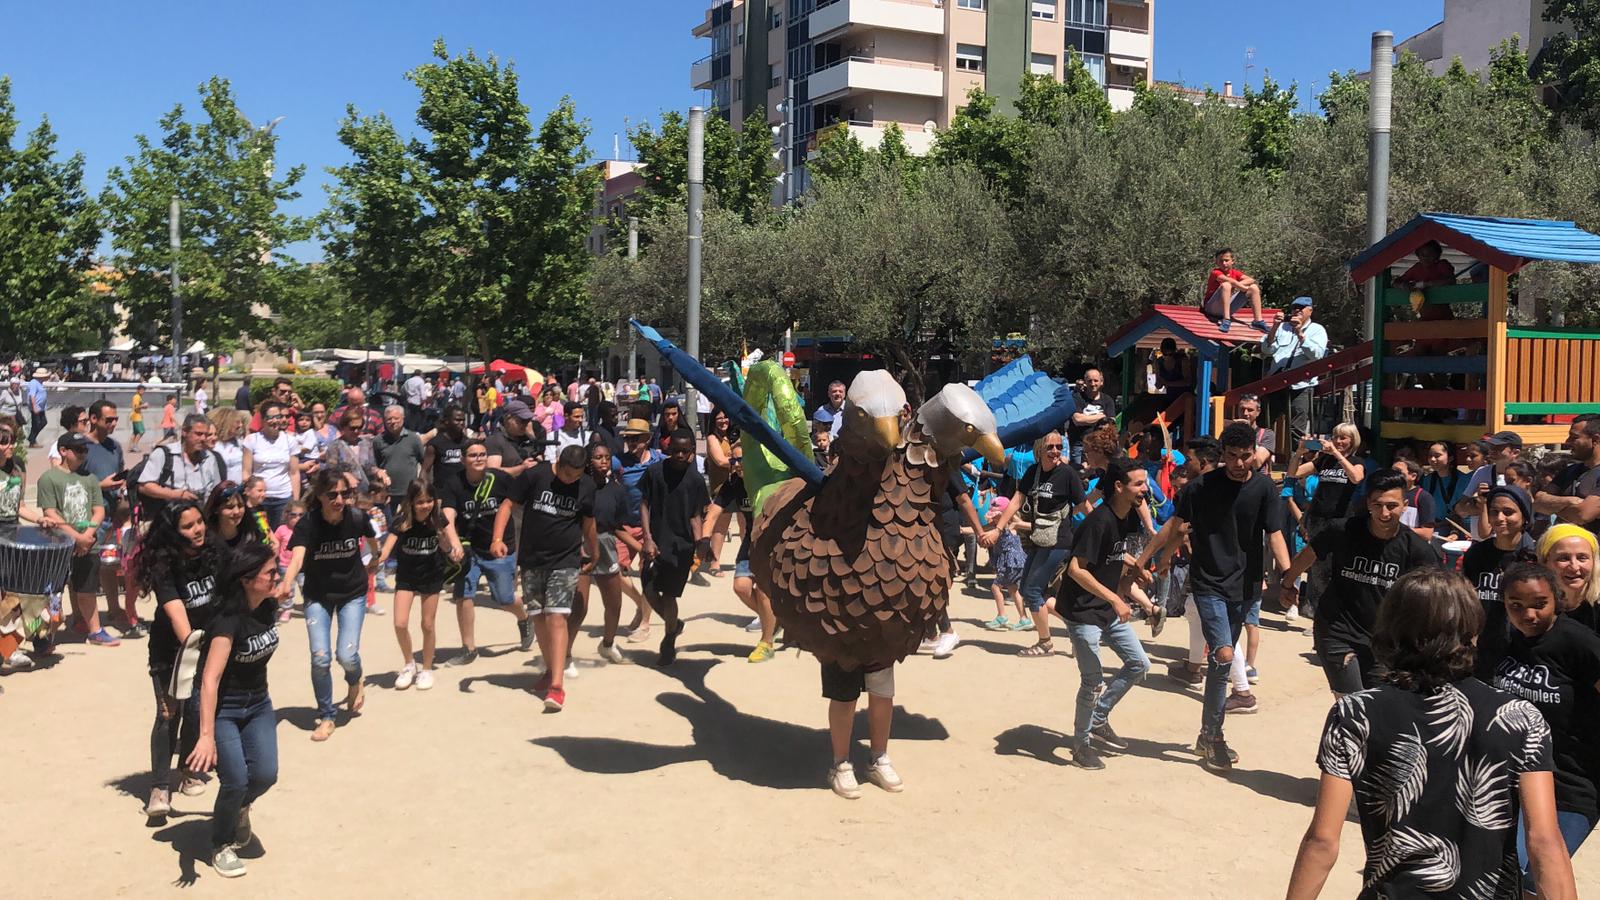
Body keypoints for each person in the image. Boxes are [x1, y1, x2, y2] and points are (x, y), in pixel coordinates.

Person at [1284, 567, 1575, 900]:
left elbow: (1322, 840)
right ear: (1472, 631)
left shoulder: (1355, 714)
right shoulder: (1520, 718)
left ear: (1391, 628)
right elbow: (1544, 842)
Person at [1135, 422, 1290, 773]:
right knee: (1222, 653)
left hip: (1245, 586)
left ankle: (1209, 734)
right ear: (1222, 455)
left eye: (1245, 456)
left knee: (1221, 664)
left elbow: (1275, 534)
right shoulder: (1200, 488)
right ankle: (1214, 736)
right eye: (1232, 456)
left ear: (1254, 455)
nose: (1239, 463)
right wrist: (1155, 559)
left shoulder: (1264, 488)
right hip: (1207, 583)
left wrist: (1289, 577)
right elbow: (1176, 527)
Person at [1279, 469, 1440, 696]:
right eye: (1377, 505)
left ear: (1404, 505)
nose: (1384, 513)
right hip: (1336, 629)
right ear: (1368, 504)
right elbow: (1309, 553)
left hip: (1384, 640)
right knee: (1352, 701)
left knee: (1378, 704)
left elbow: (1435, 597)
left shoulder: (1417, 550)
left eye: (1392, 506)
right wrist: (1287, 583)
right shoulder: (1343, 530)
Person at [1491, 562, 1600, 879]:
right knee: (1502, 874)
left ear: (1557, 599)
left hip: (1571, 784)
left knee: (1537, 876)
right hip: (1509, 782)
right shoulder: (1502, 639)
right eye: (1516, 605)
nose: (1528, 615)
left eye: (1540, 604)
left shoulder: (1579, 643)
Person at [184, 541, 283, 879]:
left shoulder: (267, 606)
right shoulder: (227, 621)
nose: (276, 577)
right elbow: (209, 680)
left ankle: (237, 809)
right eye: (271, 573)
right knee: (236, 779)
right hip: (224, 709)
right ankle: (221, 842)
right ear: (246, 579)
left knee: (265, 774)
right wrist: (206, 736)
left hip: (258, 703)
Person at [1061, 458, 1159, 770]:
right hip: (1082, 611)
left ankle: (1099, 717)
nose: (1145, 489)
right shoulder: (1099, 521)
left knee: (1139, 664)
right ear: (1118, 487)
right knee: (1092, 681)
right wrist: (1115, 599)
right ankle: (1081, 745)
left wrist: (1135, 565)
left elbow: (1113, 551)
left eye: (1145, 483)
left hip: (1104, 608)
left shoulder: (1124, 515)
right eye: (1139, 484)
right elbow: (1075, 569)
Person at [277, 469, 380, 742]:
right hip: (318, 595)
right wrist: (286, 583)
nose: (339, 500)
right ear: (320, 496)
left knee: (347, 656)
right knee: (320, 657)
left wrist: (376, 557)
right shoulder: (308, 523)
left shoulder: (356, 517)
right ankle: (327, 715)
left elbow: (372, 540)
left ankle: (355, 679)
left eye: (345, 494)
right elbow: (297, 558)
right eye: (333, 494)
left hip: (352, 593)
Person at [493, 445, 596, 711]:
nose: (571, 480)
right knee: (538, 616)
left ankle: (557, 686)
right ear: (558, 463)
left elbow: (588, 523)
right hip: (532, 559)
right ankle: (550, 670)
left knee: (556, 617)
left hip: (566, 560)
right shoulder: (535, 476)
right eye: (568, 474)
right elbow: (507, 505)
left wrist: (594, 552)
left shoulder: (586, 485)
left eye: (577, 476)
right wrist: (497, 538)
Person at [137, 501, 219, 818]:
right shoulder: (165, 566)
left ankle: (187, 769)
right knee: (168, 714)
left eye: (199, 522)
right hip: (171, 650)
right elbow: (177, 616)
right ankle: (159, 787)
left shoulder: (213, 554)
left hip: (206, 646)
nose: (197, 530)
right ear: (173, 532)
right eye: (188, 526)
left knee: (197, 709)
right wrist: (193, 653)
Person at [984, 431, 1086, 658]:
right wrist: (998, 529)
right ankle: (1077, 625)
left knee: (1032, 591)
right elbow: (1016, 501)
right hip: (1039, 538)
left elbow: (1083, 506)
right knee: (1026, 589)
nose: (1055, 451)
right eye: (1050, 447)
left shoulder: (1067, 474)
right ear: (1039, 450)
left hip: (1059, 541)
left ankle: (1046, 643)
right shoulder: (1033, 472)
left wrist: (1098, 530)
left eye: (1059, 447)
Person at [438, 438, 535, 665]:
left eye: (482, 454)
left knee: (504, 598)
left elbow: (518, 504)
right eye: (473, 455)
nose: (479, 459)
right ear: (463, 460)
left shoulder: (500, 479)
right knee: (463, 595)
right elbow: (447, 517)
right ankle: (468, 648)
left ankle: (524, 618)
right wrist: (454, 544)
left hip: (500, 547)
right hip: (469, 548)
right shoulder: (454, 483)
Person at [376, 478, 463, 691]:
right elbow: (386, 549)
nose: (425, 505)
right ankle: (409, 664)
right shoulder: (402, 519)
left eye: (429, 500)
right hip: (407, 576)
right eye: (420, 501)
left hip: (431, 574)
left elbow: (451, 541)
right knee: (400, 623)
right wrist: (375, 560)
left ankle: (426, 669)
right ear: (411, 502)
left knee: (427, 624)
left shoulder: (437, 518)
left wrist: (454, 548)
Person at [39, 432, 115, 645]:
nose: (83, 453)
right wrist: (77, 538)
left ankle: (95, 630)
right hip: (59, 546)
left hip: (87, 545)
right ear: (63, 451)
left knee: (87, 590)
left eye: (85, 449)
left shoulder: (90, 479)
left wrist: (86, 536)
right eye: (79, 449)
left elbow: (98, 511)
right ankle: (46, 635)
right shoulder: (48, 478)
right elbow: (50, 512)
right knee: (53, 594)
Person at [639, 430, 707, 666]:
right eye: (675, 450)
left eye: (684, 451)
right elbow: (644, 504)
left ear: (691, 452)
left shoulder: (696, 480)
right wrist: (647, 538)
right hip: (655, 542)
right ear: (668, 449)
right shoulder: (654, 472)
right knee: (648, 589)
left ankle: (668, 640)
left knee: (669, 595)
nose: (679, 455)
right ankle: (674, 624)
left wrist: (700, 544)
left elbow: (696, 516)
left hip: (681, 547)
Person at [704, 444, 778, 662]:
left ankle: (767, 642)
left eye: (741, 459)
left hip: (772, 541)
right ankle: (773, 620)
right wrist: (704, 539)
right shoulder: (733, 483)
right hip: (751, 541)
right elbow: (714, 512)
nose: (736, 464)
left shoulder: (768, 480)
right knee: (741, 587)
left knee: (763, 590)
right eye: (733, 460)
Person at [1463, 485, 1537, 678]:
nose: (1499, 518)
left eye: (1508, 512)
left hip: (1521, 651)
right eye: (1494, 512)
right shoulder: (1476, 554)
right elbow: (1467, 599)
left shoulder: (1535, 556)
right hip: (1482, 647)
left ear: (1524, 517)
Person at [573, 443, 637, 665]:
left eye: (607, 457)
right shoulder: (578, 486)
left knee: (614, 603)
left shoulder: (616, 490)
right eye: (598, 457)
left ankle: (607, 644)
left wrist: (642, 549)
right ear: (588, 461)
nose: (604, 461)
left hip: (607, 545)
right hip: (581, 547)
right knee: (579, 607)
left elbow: (617, 527)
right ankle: (565, 654)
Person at [1262, 296, 1328, 440]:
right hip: (1276, 383)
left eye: (1301, 307)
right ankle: (1261, 453)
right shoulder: (1282, 327)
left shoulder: (1317, 330)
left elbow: (1317, 355)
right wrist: (1274, 327)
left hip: (1301, 386)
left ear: (1310, 311)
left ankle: (1296, 455)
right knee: (1264, 424)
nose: (1297, 310)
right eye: (1294, 308)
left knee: (1297, 430)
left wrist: (1300, 333)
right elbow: (1266, 350)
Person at [138, 413, 226, 520]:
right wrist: (177, 495)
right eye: (198, 434)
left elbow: (216, 490)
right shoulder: (164, 454)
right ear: (184, 431)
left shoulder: (210, 457)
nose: (203, 438)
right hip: (170, 520)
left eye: (206, 435)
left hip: (201, 520)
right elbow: (144, 486)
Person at [1537, 413, 1600, 537]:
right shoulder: (1569, 471)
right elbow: (1538, 502)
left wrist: (1553, 507)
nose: (1567, 442)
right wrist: (1570, 501)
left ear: (1595, 440)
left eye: (1574, 437)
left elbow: (1583, 514)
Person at [241, 402, 300, 530]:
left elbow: (294, 472)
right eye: (270, 418)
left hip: (283, 497)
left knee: (282, 534)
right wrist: (249, 496)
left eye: (278, 417)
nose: (275, 421)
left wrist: (295, 501)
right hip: (259, 499)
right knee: (261, 534)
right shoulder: (252, 440)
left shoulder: (290, 440)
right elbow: (246, 472)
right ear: (262, 420)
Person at [1456, 430, 1525, 535]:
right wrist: (1479, 501)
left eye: (1499, 448)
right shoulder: (1482, 472)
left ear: (1515, 452)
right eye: (1491, 446)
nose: (1492, 450)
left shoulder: (1523, 475)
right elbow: (1460, 508)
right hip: (1481, 539)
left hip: (1509, 538)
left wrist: (1487, 507)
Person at [373, 404, 427, 523]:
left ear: (403, 418)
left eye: (396, 418)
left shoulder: (413, 438)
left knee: (410, 523)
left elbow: (424, 463)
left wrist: (422, 483)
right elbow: (375, 465)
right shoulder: (378, 441)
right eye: (389, 419)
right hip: (387, 494)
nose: (393, 422)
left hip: (409, 492)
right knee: (389, 524)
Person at [1541, 524, 1600, 632]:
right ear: (1545, 562)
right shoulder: (1536, 606)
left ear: (1594, 562)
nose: (1574, 567)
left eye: (1582, 558)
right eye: (1564, 558)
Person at [982, 496, 1028, 631]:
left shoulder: (1010, 525)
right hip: (1014, 563)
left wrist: (1011, 517)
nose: (994, 519)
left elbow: (1027, 525)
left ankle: (1002, 616)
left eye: (997, 516)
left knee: (995, 587)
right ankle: (1024, 619)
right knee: (1013, 589)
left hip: (1011, 562)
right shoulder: (995, 527)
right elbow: (980, 530)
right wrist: (962, 529)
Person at [1201, 247, 1267, 332]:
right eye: (1221, 261)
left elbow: (1251, 280)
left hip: (1226, 307)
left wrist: (1237, 285)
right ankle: (1226, 319)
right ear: (1216, 262)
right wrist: (1242, 287)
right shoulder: (1215, 272)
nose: (1224, 263)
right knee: (1226, 285)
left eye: (1226, 260)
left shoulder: (1235, 272)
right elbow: (1228, 281)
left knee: (1253, 287)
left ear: (1232, 261)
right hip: (1211, 308)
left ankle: (1258, 321)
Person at [1066, 368, 1117, 467]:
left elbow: (1111, 421)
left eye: (1096, 380)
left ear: (1101, 382)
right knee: (1079, 472)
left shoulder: (1107, 400)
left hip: (1100, 446)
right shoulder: (1077, 398)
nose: (1093, 384)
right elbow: (1077, 420)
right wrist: (1101, 416)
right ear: (1085, 382)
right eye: (1089, 381)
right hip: (1079, 445)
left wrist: (1086, 418)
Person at [1421, 440, 1470, 539]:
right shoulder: (1427, 480)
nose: (1432, 459)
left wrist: (1454, 532)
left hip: (1460, 530)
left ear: (1450, 458)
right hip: (1435, 529)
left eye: (1437, 456)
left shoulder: (1464, 480)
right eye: (1430, 456)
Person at [484, 399, 545, 477]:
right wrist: (522, 468)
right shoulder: (495, 440)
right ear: (508, 418)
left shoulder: (524, 438)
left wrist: (532, 437)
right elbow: (493, 472)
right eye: (522, 421)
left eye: (528, 421)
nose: (525, 424)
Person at [1389, 457, 1436, 541]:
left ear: (1413, 476)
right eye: (1392, 471)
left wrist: (1398, 530)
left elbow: (1427, 533)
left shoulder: (1423, 497)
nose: (1394, 475)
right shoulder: (1387, 495)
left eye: (1398, 472)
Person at [422, 403, 469, 486]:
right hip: (441, 490)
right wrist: (423, 489)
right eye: (457, 420)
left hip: (463, 489)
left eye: (463, 420)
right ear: (447, 421)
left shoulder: (467, 443)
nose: (461, 423)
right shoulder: (435, 444)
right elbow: (425, 471)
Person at [130, 383, 148, 452]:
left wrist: (143, 407)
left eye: (143, 390)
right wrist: (144, 405)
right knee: (141, 431)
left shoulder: (139, 397)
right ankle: (135, 446)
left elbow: (138, 407)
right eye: (141, 390)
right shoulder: (136, 397)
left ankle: (131, 446)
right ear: (138, 390)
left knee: (135, 433)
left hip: (136, 416)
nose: (143, 391)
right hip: (136, 417)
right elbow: (136, 407)